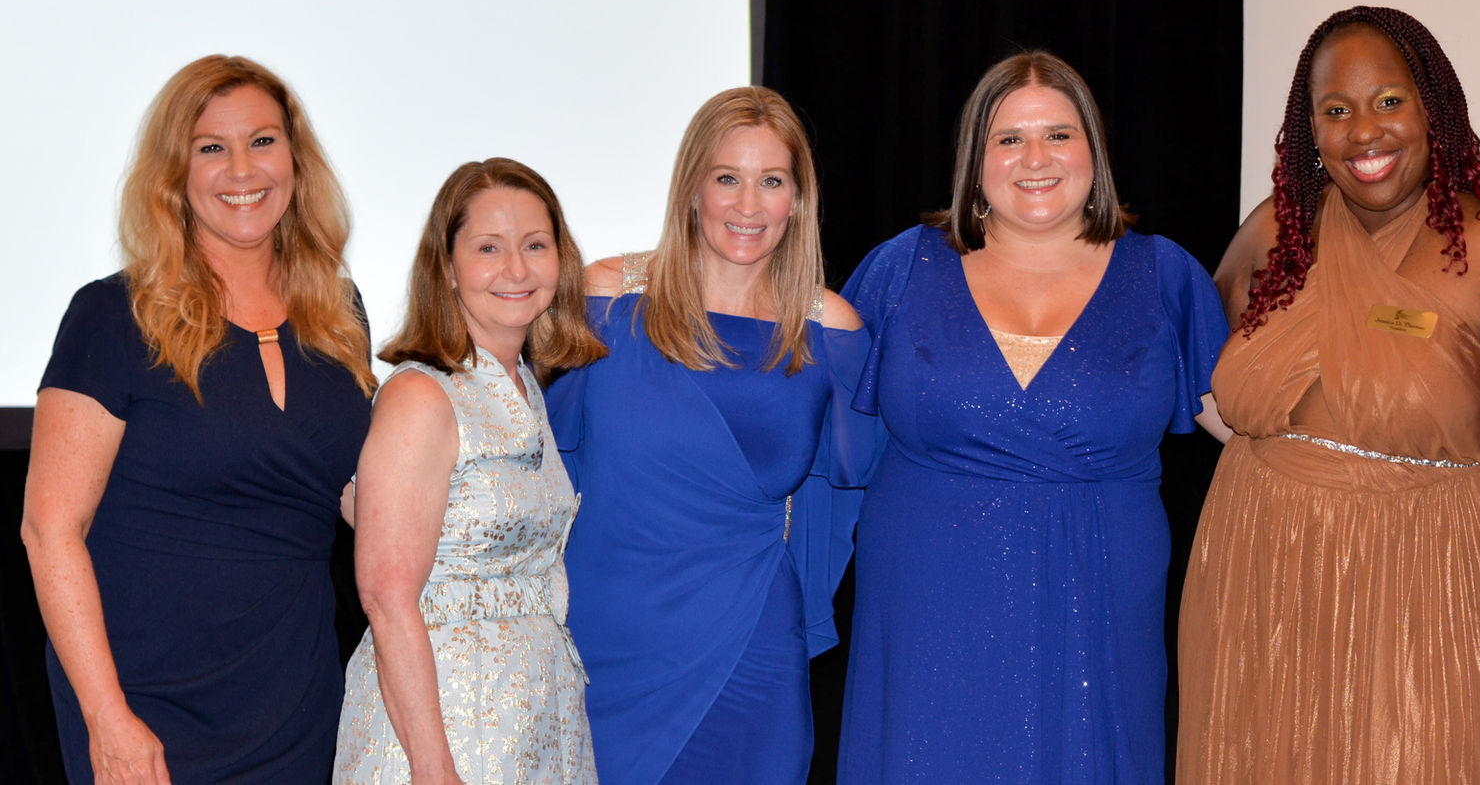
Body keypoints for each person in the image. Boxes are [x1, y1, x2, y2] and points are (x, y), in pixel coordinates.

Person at [1178, 6, 1480, 784]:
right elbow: (1199, 372)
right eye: (1336, 110)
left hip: (1439, 580)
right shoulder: (1280, 227)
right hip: (1264, 578)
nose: (1364, 132)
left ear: (1433, 107)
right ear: (1309, 129)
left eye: (1388, 101)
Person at [835, 50, 1228, 784]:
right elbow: (802, 402)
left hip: (1099, 592)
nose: (1036, 158)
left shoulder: (1166, 275)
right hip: (928, 599)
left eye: (1058, 134)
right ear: (974, 159)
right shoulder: (900, 267)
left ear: (1094, 149)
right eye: (1009, 138)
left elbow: (1246, 429)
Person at [21, 55, 376, 785]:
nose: (242, 169)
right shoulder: (112, 314)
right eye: (211, 147)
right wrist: (106, 715)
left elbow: (350, 496)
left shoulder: (340, 315)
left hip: (296, 703)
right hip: (144, 708)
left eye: (263, 141)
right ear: (174, 173)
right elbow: (49, 529)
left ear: (296, 160)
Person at [544, 87, 872, 785]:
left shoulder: (830, 331)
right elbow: (535, 451)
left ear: (798, 200)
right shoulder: (607, 300)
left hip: (751, 651)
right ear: (693, 188)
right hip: (607, 645)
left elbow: (860, 496)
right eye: (728, 178)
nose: (748, 206)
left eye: (771, 181)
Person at [333, 158, 604, 784]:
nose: (516, 269)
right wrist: (435, 770)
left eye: (535, 245)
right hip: (442, 733)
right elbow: (386, 597)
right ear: (447, 267)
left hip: (536, 723)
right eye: (488, 248)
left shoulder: (526, 387)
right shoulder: (421, 395)